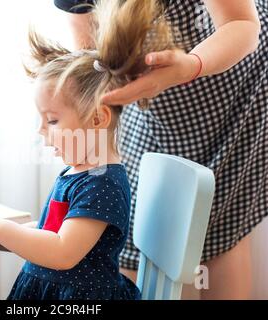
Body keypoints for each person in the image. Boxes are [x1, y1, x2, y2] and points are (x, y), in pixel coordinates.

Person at [0, 0, 181, 300]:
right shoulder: (78, 173)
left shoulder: (103, 183)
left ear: (98, 118)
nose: (41, 130)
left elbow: (62, 252)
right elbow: (50, 232)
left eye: (51, 120)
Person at [54, 0, 265, 299]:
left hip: (233, 66)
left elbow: (241, 24)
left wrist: (191, 65)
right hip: (156, 93)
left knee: (220, 217)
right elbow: (92, 61)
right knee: (133, 224)